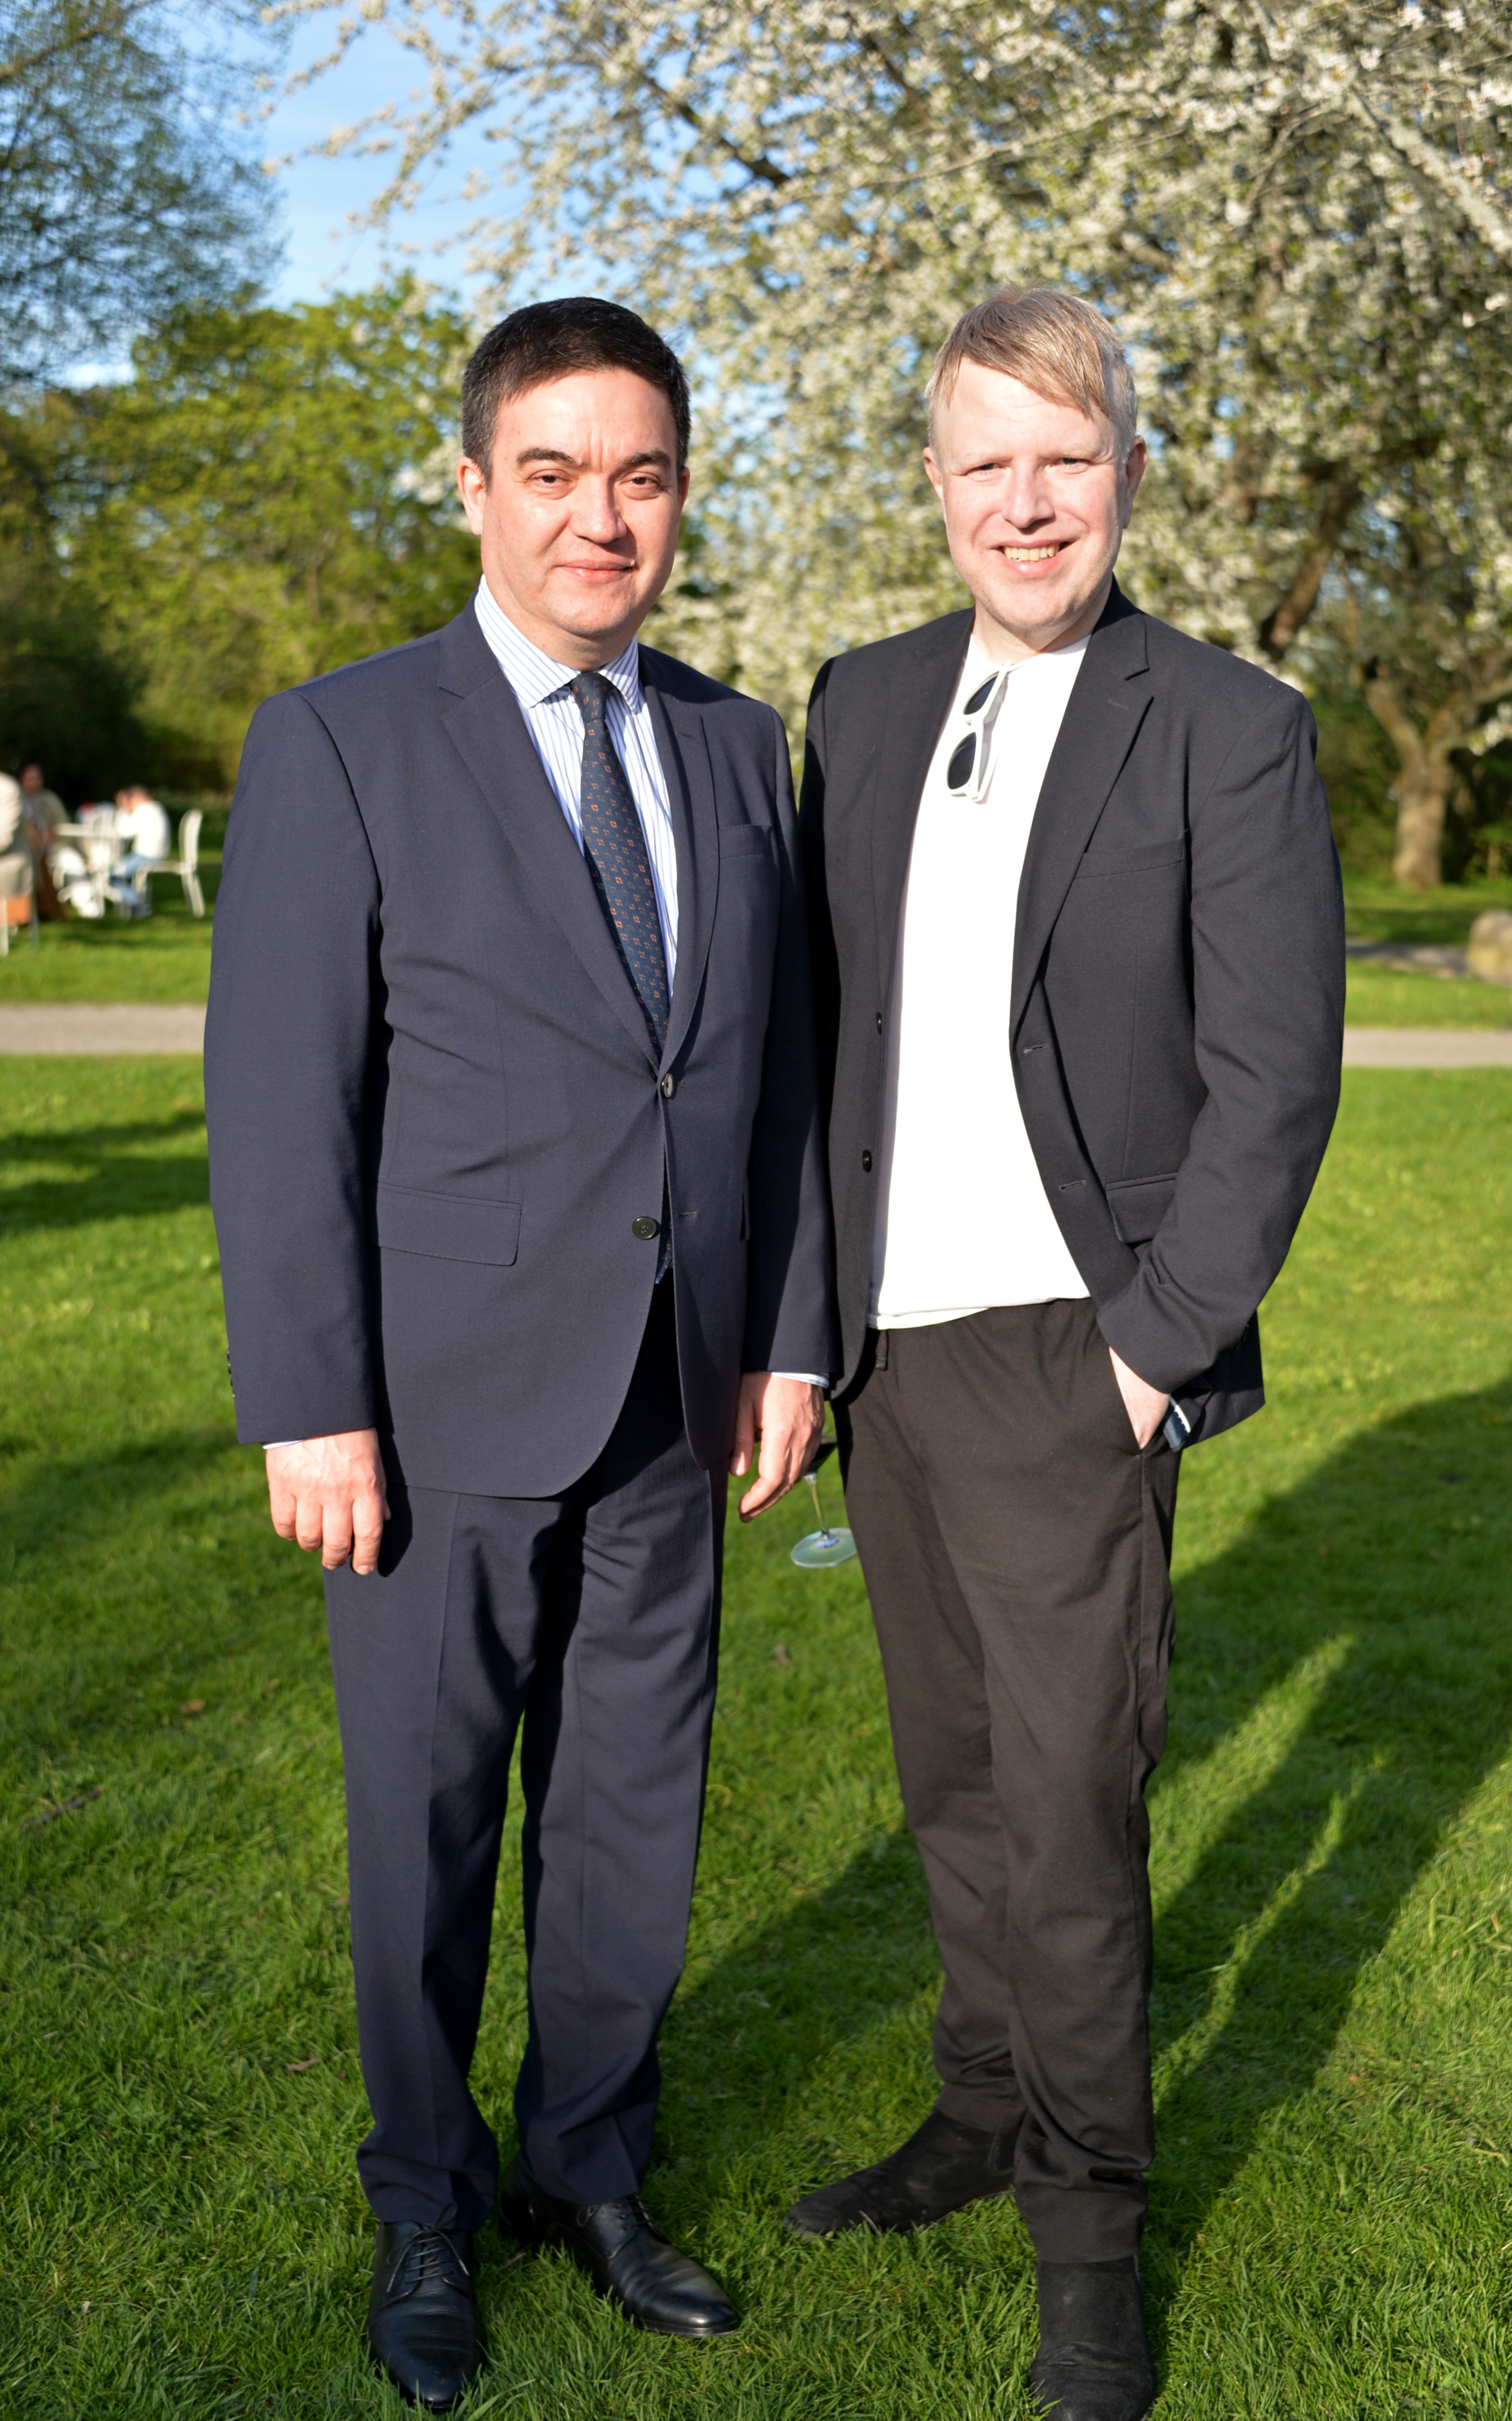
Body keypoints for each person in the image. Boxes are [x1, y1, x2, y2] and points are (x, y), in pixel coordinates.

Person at [205, 297, 836, 2412]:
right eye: (552, 472)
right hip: (433, 1403)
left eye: (640, 475)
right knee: (430, 1826)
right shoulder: (342, 739)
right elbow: (282, 1099)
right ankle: (423, 2197)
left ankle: (590, 2164)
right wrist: (312, 1398)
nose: (600, 517)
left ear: (681, 497)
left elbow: (775, 1072)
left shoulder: (736, 746)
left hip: (676, 1385)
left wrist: (786, 1336)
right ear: (473, 487)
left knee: (633, 1812)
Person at [792, 288, 1343, 2421]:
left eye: (1066, 459)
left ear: (1125, 470)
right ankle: (978, 2106)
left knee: (1068, 1816)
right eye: (985, 463)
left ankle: (1089, 2240)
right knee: (951, 1786)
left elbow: (1273, 1078)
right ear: (933, 482)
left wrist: (1154, 1350)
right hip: (889, 1358)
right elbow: (826, 1041)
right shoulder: (859, 701)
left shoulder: (1224, 724)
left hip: (1070, 1362)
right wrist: (801, 1331)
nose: (1026, 503)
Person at [107, 784, 172, 915]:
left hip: (147, 856)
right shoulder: (156, 808)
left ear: (137, 798)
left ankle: (138, 904)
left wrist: (124, 809)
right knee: (116, 871)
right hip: (155, 854)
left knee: (112, 875)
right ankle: (135, 903)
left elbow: (123, 831)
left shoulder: (144, 810)